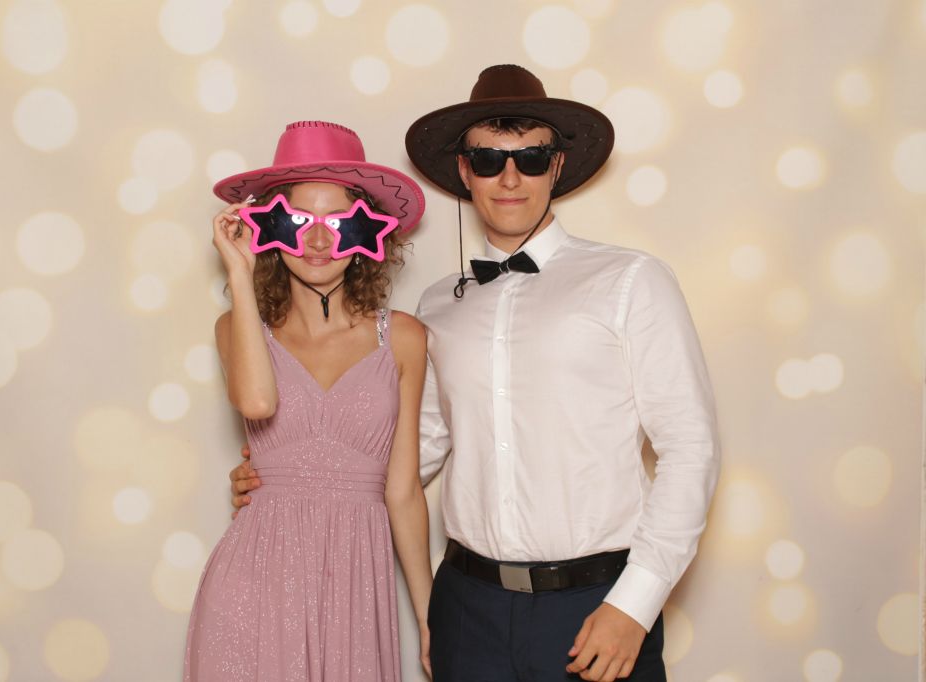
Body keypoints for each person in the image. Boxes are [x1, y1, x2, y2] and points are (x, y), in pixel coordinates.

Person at [233, 65, 720, 681]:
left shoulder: (631, 281)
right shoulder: (438, 305)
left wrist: (635, 603)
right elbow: (414, 448)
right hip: (465, 609)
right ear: (464, 171)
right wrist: (287, 475)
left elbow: (691, 448)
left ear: (556, 167)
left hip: (596, 605)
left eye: (530, 158)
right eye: (489, 160)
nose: (509, 178)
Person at [185, 120, 434, 682]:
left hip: (354, 583)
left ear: (369, 231)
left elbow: (402, 490)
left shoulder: (402, 338)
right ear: (267, 228)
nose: (318, 242)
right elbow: (257, 402)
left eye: (339, 223)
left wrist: (428, 615)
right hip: (253, 584)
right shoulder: (236, 328)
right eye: (297, 222)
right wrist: (239, 274)